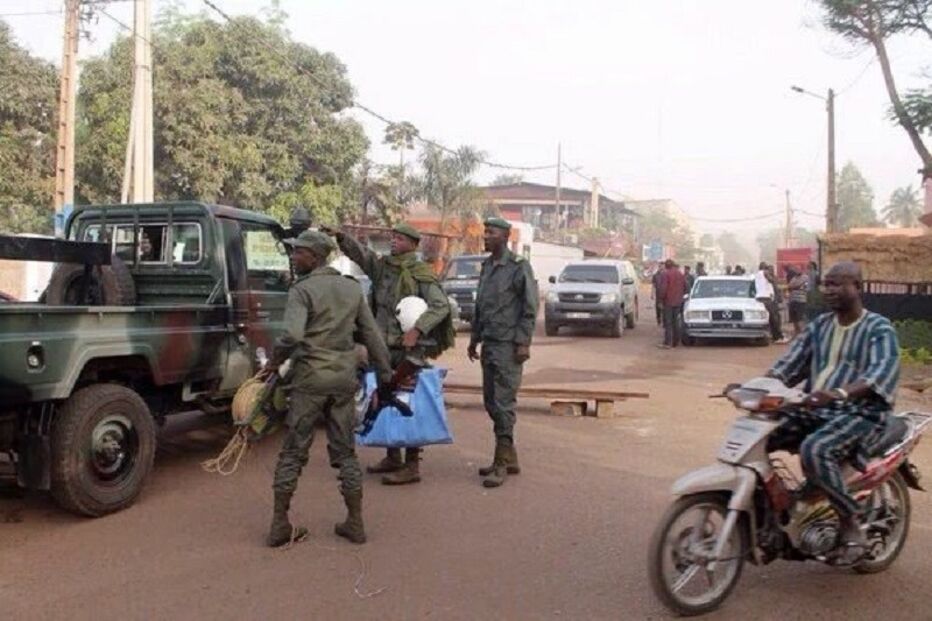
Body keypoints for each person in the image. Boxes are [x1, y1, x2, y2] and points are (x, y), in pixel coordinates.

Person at [765, 261, 900, 559]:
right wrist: (759, 386)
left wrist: (839, 393)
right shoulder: (820, 326)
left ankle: (849, 520)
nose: (828, 290)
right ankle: (774, 510)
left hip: (861, 413)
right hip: (816, 410)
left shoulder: (878, 328)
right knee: (762, 433)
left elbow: (879, 374)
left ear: (858, 287)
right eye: (826, 284)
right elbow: (788, 365)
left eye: (837, 284)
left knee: (815, 449)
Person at [267, 230, 393, 548]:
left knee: (293, 452)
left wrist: (273, 362)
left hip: (309, 380)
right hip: (342, 380)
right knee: (345, 452)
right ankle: (355, 523)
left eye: (299, 252)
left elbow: (291, 336)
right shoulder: (351, 289)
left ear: (315, 256)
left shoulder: (302, 290)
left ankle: (280, 524)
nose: (294, 257)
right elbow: (372, 336)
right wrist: (386, 374)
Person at [325, 222, 454, 485]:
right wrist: (341, 237)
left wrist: (418, 329)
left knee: (408, 402)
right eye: (393, 237)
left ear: (413, 245)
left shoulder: (420, 273)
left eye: (401, 238)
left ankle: (412, 465)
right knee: (384, 398)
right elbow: (362, 255)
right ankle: (393, 456)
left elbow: (440, 306)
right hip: (382, 347)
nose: (394, 241)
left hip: (408, 349)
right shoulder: (383, 268)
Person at [467, 217, 538, 488]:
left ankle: (501, 462)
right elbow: (481, 306)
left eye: (491, 232)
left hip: (508, 346)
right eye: (485, 232)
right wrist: (474, 338)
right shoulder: (487, 266)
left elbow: (530, 307)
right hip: (489, 342)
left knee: (503, 404)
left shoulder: (518, 267)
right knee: (490, 402)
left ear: (505, 237)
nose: (486, 236)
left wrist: (523, 343)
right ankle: (510, 457)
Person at [657, 259, 687, 349]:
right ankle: (675, 342)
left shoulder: (665, 274)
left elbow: (663, 288)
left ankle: (668, 342)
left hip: (668, 301)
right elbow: (686, 286)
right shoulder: (680, 274)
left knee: (668, 322)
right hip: (678, 301)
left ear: (666, 266)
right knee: (676, 322)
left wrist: (660, 299)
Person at [754, 262, 787, 344]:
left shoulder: (757, 274)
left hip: (759, 297)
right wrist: (774, 280)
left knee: (768, 318)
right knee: (773, 318)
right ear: (765, 268)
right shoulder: (765, 272)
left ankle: (772, 335)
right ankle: (778, 337)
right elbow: (771, 280)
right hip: (766, 298)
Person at [786, 265, 810, 337]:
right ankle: (797, 333)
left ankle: (802, 334)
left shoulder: (806, 277)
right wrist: (797, 286)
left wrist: (795, 287)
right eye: (796, 269)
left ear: (801, 270)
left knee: (800, 318)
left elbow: (804, 287)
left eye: (798, 269)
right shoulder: (794, 278)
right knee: (794, 318)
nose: (797, 271)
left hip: (801, 300)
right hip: (792, 300)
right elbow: (789, 286)